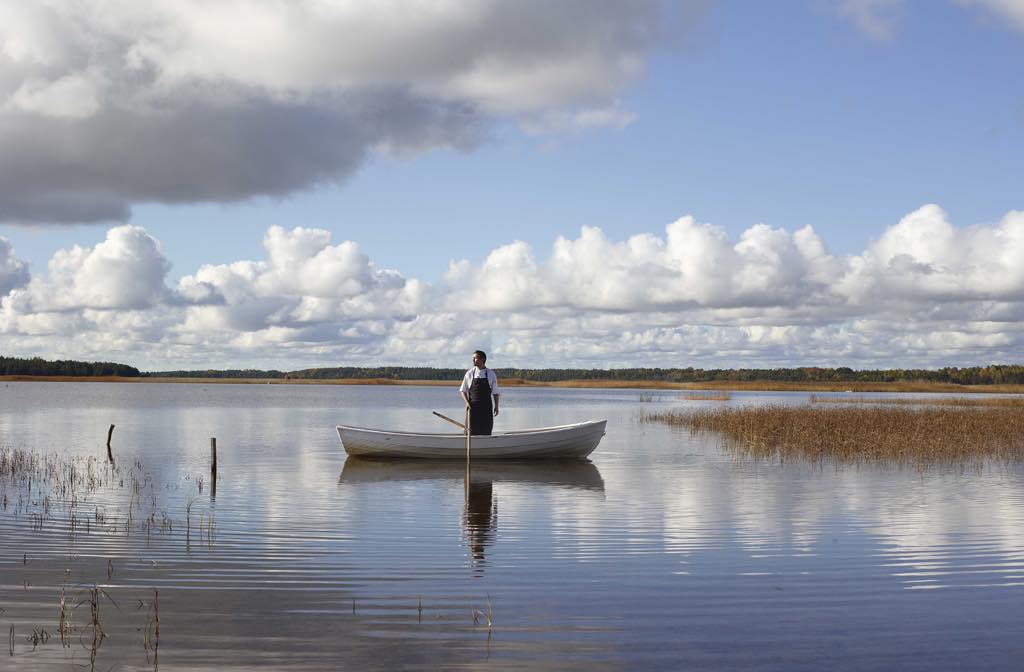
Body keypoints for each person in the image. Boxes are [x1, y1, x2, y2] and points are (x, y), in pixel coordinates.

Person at [459, 350, 500, 435]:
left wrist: (496, 406)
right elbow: (463, 391)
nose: (473, 360)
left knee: (486, 431)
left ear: (482, 359)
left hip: (486, 409)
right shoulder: (470, 373)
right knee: (469, 432)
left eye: (475, 358)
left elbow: (495, 393)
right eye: (472, 358)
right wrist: (467, 402)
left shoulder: (491, 374)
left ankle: (484, 445)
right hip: (472, 408)